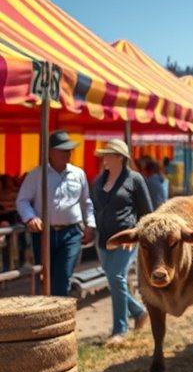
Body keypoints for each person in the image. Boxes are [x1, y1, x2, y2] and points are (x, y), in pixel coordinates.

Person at [15, 130, 96, 297]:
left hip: (72, 233)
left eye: (69, 150)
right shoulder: (36, 174)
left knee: (62, 277)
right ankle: (53, 313)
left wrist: (90, 225)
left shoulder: (78, 174)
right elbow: (22, 200)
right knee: (45, 278)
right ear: (50, 152)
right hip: (44, 234)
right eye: (63, 150)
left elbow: (86, 202)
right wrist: (30, 217)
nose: (68, 153)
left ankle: (59, 316)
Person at [91, 139, 153, 343]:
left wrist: (134, 233)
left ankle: (120, 329)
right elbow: (95, 208)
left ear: (119, 157)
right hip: (103, 240)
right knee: (113, 281)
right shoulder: (99, 181)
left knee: (116, 278)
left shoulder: (134, 179)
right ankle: (138, 312)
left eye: (107, 154)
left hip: (125, 239)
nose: (103, 158)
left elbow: (147, 213)